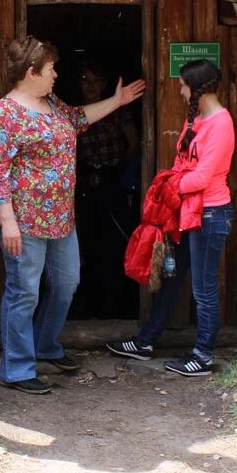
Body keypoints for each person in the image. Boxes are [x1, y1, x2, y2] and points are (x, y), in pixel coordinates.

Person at [0, 36, 144, 394]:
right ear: (31, 72)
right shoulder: (3, 115)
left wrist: (117, 101)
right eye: (51, 69)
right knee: (24, 292)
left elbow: (78, 119)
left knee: (67, 282)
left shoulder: (52, 103)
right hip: (23, 221)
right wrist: (7, 220)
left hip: (60, 218)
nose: (56, 74)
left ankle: (45, 345)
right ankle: (17, 368)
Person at [106, 59, 235, 376]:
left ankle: (203, 356)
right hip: (187, 212)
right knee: (172, 279)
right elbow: (183, 163)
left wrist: (168, 187)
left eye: (182, 84)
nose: (178, 90)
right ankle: (146, 342)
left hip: (209, 214)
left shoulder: (221, 123)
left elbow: (203, 177)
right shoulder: (197, 118)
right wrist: (172, 188)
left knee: (203, 290)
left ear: (196, 87)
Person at [75, 61, 140, 318]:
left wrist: (117, 171)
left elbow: (134, 143)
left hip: (114, 180)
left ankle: (117, 303)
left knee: (115, 240)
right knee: (88, 241)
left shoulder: (119, 111)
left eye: (95, 80)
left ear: (104, 84)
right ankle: (90, 304)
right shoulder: (76, 112)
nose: (90, 85)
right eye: (85, 79)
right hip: (86, 182)